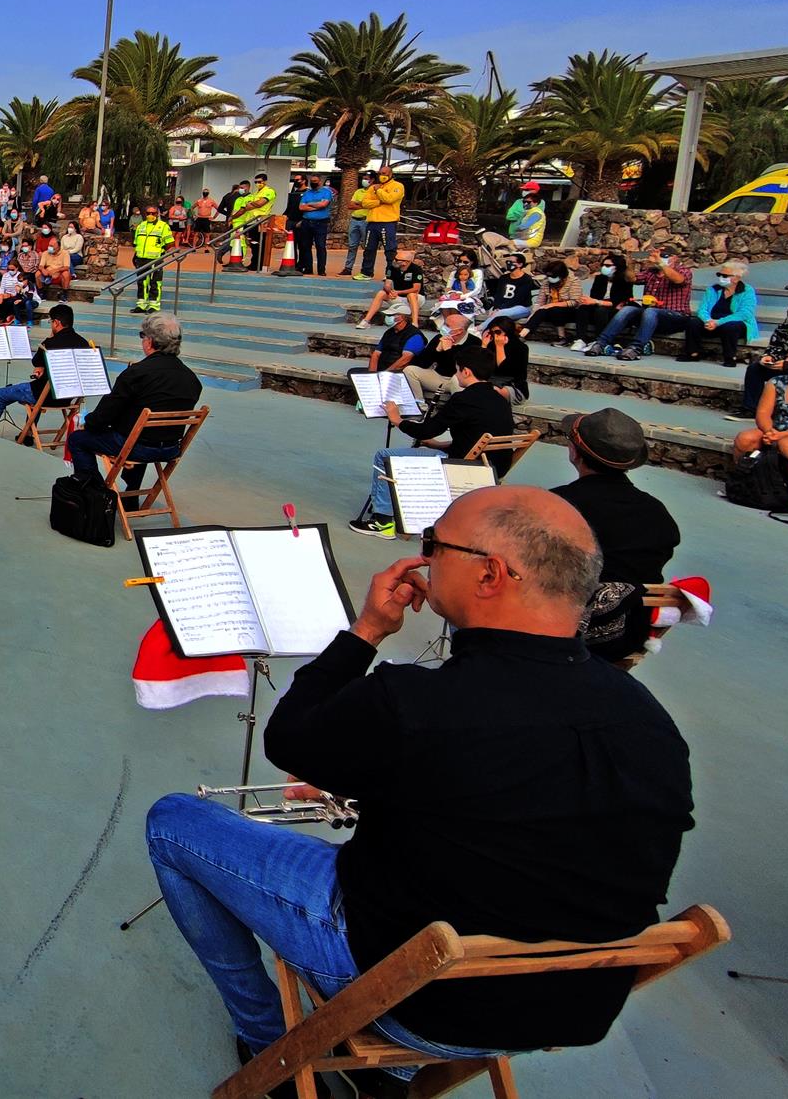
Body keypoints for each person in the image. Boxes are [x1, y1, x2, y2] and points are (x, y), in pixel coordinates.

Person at [148, 488, 692, 1084]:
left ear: (490, 574)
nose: (425, 559)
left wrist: (368, 628)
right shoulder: (649, 720)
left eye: (435, 545)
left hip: (420, 992)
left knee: (174, 822)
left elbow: (288, 737)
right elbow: (532, 817)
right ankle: (396, 1074)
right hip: (570, 1009)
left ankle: (268, 1045)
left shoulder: (415, 704)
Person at [553, 410, 682, 665]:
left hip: (562, 636)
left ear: (575, 452)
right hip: (627, 637)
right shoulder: (658, 512)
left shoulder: (558, 506)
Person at [353, 349, 515, 538]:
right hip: (495, 466)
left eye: (457, 370)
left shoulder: (464, 399)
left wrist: (397, 420)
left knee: (384, 456)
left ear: (467, 372)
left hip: (465, 465)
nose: (455, 375)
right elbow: (477, 437)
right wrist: (437, 445)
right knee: (424, 451)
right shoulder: (500, 399)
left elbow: (427, 430)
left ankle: (382, 522)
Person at [65, 314, 201, 480]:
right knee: (140, 429)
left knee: (77, 439)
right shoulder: (192, 378)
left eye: (142, 336)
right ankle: (130, 495)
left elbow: (106, 413)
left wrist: (88, 425)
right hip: (171, 447)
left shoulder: (137, 373)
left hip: (138, 446)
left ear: (150, 341)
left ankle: (94, 490)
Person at [0, 304, 89, 436]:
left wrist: (49, 339)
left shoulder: (51, 343)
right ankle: (28, 434)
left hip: (46, 396)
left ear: (57, 323)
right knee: (38, 389)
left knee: (0, 394)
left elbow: (36, 361)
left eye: (51, 322)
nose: (51, 325)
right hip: (68, 397)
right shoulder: (83, 343)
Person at [732, 335, 788, 479]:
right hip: (776, 430)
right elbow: (763, 413)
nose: (786, 361)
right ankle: (743, 482)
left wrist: (782, 435)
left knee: (787, 445)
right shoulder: (776, 382)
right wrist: (770, 432)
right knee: (745, 439)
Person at [589, 246, 689, 359]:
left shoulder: (684, 271)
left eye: (663, 255)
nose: (658, 257)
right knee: (628, 309)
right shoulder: (651, 272)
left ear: (674, 258)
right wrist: (631, 262)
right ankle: (601, 343)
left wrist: (660, 262)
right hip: (649, 316)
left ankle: (636, 348)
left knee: (651, 311)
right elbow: (631, 279)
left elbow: (678, 280)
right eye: (657, 254)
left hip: (675, 316)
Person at [733, 299, 788, 419]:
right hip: (783, 365)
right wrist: (769, 357)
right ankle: (750, 408)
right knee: (755, 369)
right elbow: (775, 346)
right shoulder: (783, 328)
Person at [676, 259, 758, 367]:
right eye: (720, 274)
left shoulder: (747, 291)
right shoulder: (712, 289)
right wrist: (708, 320)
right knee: (693, 323)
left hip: (734, 322)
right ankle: (693, 353)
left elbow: (744, 313)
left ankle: (730, 357)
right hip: (712, 321)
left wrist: (718, 322)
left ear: (736, 278)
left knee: (730, 327)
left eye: (725, 275)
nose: (721, 278)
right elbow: (703, 309)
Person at [400, 309, 480, 406]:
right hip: (438, 377)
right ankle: (419, 405)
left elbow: (462, 369)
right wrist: (437, 350)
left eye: (448, 326)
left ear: (459, 331)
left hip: (458, 380)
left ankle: (458, 411)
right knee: (409, 370)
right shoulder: (439, 338)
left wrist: (448, 350)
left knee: (457, 379)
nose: (443, 327)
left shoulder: (474, 343)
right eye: (444, 324)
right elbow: (420, 364)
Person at [565, 253, 631, 351]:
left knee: (601, 310)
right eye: (603, 265)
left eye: (608, 266)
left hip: (614, 309)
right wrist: (589, 301)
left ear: (617, 267)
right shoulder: (600, 278)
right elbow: (594, 295)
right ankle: (580, 339)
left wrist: (596, 301)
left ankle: (599, 340)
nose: (604, 268)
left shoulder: (624, 281)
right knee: (583, 308)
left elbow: (617, 302)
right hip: (598, 303)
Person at [355, 164, 405, 278]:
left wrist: (379, 192)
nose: (382, 176)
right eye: (380, 174)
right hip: (372, 223)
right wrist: (379, 202)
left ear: (390, 174)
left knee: (390, 250)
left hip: (388, 222)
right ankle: (366, 273)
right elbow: (365, 203)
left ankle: (390, 274)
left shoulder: (398, 186)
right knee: (368, 249)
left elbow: (390, 199)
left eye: (384, 174)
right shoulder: (373, 187)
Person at [356, 248, 424, 328]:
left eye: (397, 259)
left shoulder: (416, 269)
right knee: (381, 293)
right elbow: (387, 284)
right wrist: (390, 292)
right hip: (398, 297)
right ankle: (366, 321)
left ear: (406, 262)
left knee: (411, 295)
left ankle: (414, 323)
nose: (395, 261)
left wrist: (398, 292)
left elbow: (416, 289)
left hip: (415, 299)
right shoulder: (392, 268)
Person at [522, 261, 582, 342]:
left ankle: (562, 337)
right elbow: (540, 301)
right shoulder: (546, 282)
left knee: (555, 310)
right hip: (550, 310)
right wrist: (534, 313)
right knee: (540, 311)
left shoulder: (573, 281)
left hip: (569, 311)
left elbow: (575, 301)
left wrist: (552, 305)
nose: (549, 278)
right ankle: (522, 334)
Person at [132, 204, 174, 312]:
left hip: (155, 258)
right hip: (141, 258)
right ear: (145, 214)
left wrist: (161, 251)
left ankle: (154, 305)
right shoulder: (141, 226)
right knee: (141, 282)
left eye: (153, 213)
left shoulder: (163, 226)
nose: (150, 215)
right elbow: (136, 242)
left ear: (157, 214)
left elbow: (170, 243)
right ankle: (141, 304)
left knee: (155, 282)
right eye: (148, 213)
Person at [292, 175, 332, 275]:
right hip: (307, 222)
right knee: (305, 246)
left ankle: (321, 270)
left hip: (321, 223)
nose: (313, 182)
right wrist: (317, 206)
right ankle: (308, 268)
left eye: (315, 181)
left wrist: (309, 204)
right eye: (312, 181)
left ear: (320, 181)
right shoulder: (307, 193)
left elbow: (324, 205)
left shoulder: (326, 192)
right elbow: (301, 207)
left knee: (320, 246)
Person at [367, 308, 427, 374]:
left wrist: (385, 374)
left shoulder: (414, 335)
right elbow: (376, 354)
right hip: (381, 370)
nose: (387, 317)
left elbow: (404, 360)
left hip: (398, 374)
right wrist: (372, 375)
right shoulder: (389, 332)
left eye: (390, 315)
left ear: (401, 317)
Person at [484, 251, 536, 324]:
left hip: (521, 307)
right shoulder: (503, 278)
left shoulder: (526, 279)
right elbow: (498, 295)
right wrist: (496, 307)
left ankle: (479, 329)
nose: (508, 263)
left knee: (498, 314)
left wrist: (500, 309)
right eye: (508, 261)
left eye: (512, 261)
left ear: (520, 264)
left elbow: (518, 298)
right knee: (492, 313)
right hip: (502, 307)